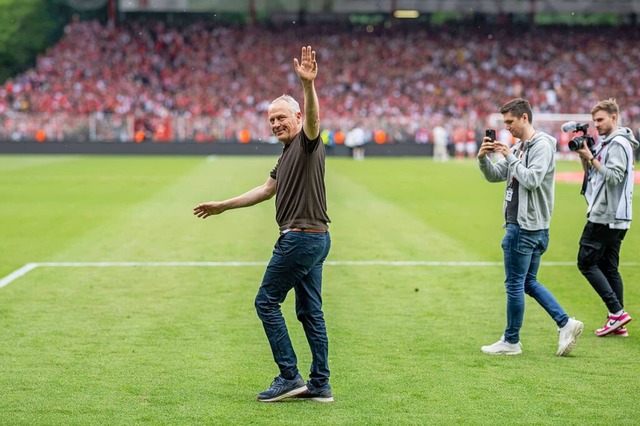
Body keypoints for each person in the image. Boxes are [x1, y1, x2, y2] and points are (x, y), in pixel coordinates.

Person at [193, 46, 333, 402]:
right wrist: (223, 205)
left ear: (297, 117)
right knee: (308, 311)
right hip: (315, 239)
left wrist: (308, 85)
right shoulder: (286, 155)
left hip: (300, 239)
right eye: (271, 120)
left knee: (266, 302)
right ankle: (320, 384)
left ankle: (289, 375)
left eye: (281, 118)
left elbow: (315, 121)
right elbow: (266, 190)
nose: (275, 124)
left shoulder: (307, 143)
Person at [477, 98, 583, 356]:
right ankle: (565, 322)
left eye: (510, 122)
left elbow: (532, 180)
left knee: (515, 284)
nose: (507, 128)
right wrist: (483, 159)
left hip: (525, 227)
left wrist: (511, 156)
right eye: (504, 123)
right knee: (528, 283)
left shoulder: (541, 145)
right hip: (528, 225)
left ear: (524, 118)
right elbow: (494, 175)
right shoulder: (521, 147)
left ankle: (511, 341)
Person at [573, 98, 638, 337]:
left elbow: (613, 177)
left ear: (614, 117)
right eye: (594, 121)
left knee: (586, 262)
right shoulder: (610, 143)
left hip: (606, 214)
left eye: (600, 120)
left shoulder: (618, 144)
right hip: (617, 214)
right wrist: (585, 155)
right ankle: (617, 322)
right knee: (609, 267)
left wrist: (592, 158)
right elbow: (594, 176)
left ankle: (617, 312)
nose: (597, 124)